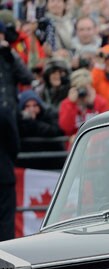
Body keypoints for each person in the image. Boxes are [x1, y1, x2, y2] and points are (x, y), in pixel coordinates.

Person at [0, 20, 33, 241]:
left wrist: (9, 53)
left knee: (5, 220)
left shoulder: (8, 58)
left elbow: (27, 77)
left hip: (6, 130)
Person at [58, 68, 109, 143]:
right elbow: (66, 128)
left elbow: (107, 129)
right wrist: (71, 104)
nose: (82, 92)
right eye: (80, 88)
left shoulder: (100, 102)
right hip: (76, 148)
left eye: (85, 88)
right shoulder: (67, 104)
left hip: (98, 147)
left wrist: (91, 105)